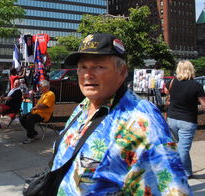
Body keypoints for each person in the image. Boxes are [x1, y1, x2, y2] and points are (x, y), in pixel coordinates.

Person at [51, 33, 191, 195]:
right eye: (83, 67)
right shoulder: (84, 106)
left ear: (122, 71)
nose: (87, 74)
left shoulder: (141, 120)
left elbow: (174, 190)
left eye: (98, 66)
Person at [165, 60, 205, 178]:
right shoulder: (196, 86)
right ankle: (177, 174)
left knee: (180, 146)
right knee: (182, 149)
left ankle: (187, 172)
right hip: (188, 121)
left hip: (172, 120)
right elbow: (203, 104)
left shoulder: (171, 82)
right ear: (191, 70)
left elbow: (166, 92)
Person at [20, 79, 55, 144]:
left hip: (44, 115)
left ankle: (31, 136)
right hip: (37, 113)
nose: (39, 88)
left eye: (40, 86)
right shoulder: (44, 94)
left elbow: (45, 105)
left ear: (45, 87)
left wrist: (35, 107)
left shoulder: (50, 94)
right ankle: (33, 133)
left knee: (29, 118)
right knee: (22, 118)